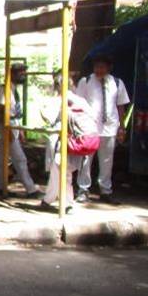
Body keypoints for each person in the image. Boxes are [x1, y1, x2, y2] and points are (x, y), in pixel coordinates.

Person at [73, 52, 130, 204]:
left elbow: (120, 107)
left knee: (107, 161)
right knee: (85, 160)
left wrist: (122, 127)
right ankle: (83, 189)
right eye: (97, 67)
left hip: (110, 127)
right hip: (89, 127)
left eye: (102, 67)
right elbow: (77, 104)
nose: (99, 70)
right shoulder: (85, 82)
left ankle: (105, 190)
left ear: (109, 68)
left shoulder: (117, 83)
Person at [38, 72, 94, 212]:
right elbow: (91, 117)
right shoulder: (80, 100)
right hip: (76, 140)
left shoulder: (56, 101)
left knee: (61, 171)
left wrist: (42, 110)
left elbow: (49, 118)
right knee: (64, 171)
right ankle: (49, 199)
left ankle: (66, 203)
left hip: (60, 141)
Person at [0, 62, 39, 197]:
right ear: (12, 74)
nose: (22, 75)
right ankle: (31, 189)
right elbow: (0, 112)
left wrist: (20, 131)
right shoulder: (3, 89)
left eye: (23, 72)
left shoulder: (14, 90)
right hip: (7, 126)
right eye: (20, 73)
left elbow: (16, 113)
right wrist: (9, 132)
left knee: (3, 158)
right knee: (20, 159)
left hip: (14, 125)